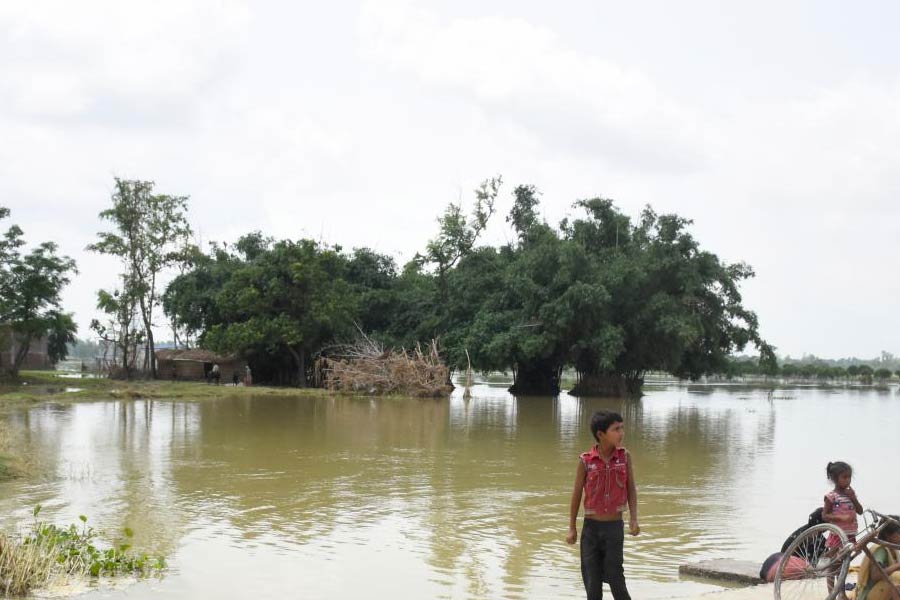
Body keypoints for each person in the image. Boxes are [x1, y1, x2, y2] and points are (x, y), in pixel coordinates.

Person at [567, 410, 639, 600]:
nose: (621, 433)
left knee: (616, 577)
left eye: (622, 428)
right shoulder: (585, 461)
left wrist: (633, 519)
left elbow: (631, 490)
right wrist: (572, 528)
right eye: (616, 429)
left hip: (614, 528)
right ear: (601, 434)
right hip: (590, 530)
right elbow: (576, 495)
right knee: (592, 581)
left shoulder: (624, 457)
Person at [855, 515, 900, 600]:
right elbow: (875, 575)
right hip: (869, 595)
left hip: (881, 592)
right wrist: (897, 566)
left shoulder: (893, 550)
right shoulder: (880, 550)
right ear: (888, 535)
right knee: (896, 579)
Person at [824, 461, 863, 547]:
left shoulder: (850, 494)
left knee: (847, 559)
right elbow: (825, 516)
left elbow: (860, 511)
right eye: (844, 477)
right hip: (838, 534)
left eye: (849, 477)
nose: (848, 480)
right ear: (834, 479)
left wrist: (853, 498)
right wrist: (841, 517)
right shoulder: (831, 496)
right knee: (837, 558)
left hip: (851, 533)